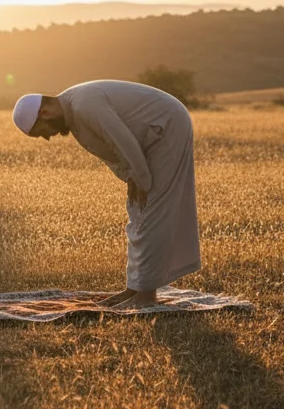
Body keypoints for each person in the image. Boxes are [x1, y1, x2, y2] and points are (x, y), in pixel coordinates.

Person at [12, 80, 200, 309]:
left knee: (152, 211)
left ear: (45, 112)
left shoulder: (83, 105)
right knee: (138, 212)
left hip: (166, 126)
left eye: (41, 132)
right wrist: (133, 177)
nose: (48, 137)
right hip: (150, 137)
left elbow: (123, 141)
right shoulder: (74, 113)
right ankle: (135, 287)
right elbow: (113, 151)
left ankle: (146, 296)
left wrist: (141, 179)